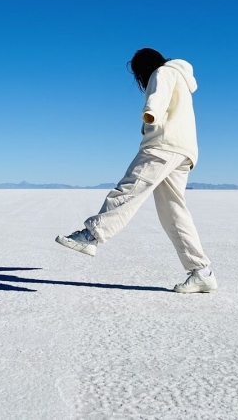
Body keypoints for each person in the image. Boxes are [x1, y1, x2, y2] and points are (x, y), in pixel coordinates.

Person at [55, 48, 216, 294]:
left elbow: (157, 99)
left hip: (163, 145)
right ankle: (202, 272)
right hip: (184, 151)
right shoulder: (182, 78)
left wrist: (149, 115)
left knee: (131, 187)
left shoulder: (163, 72)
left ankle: (91, 236)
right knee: (173, 213)